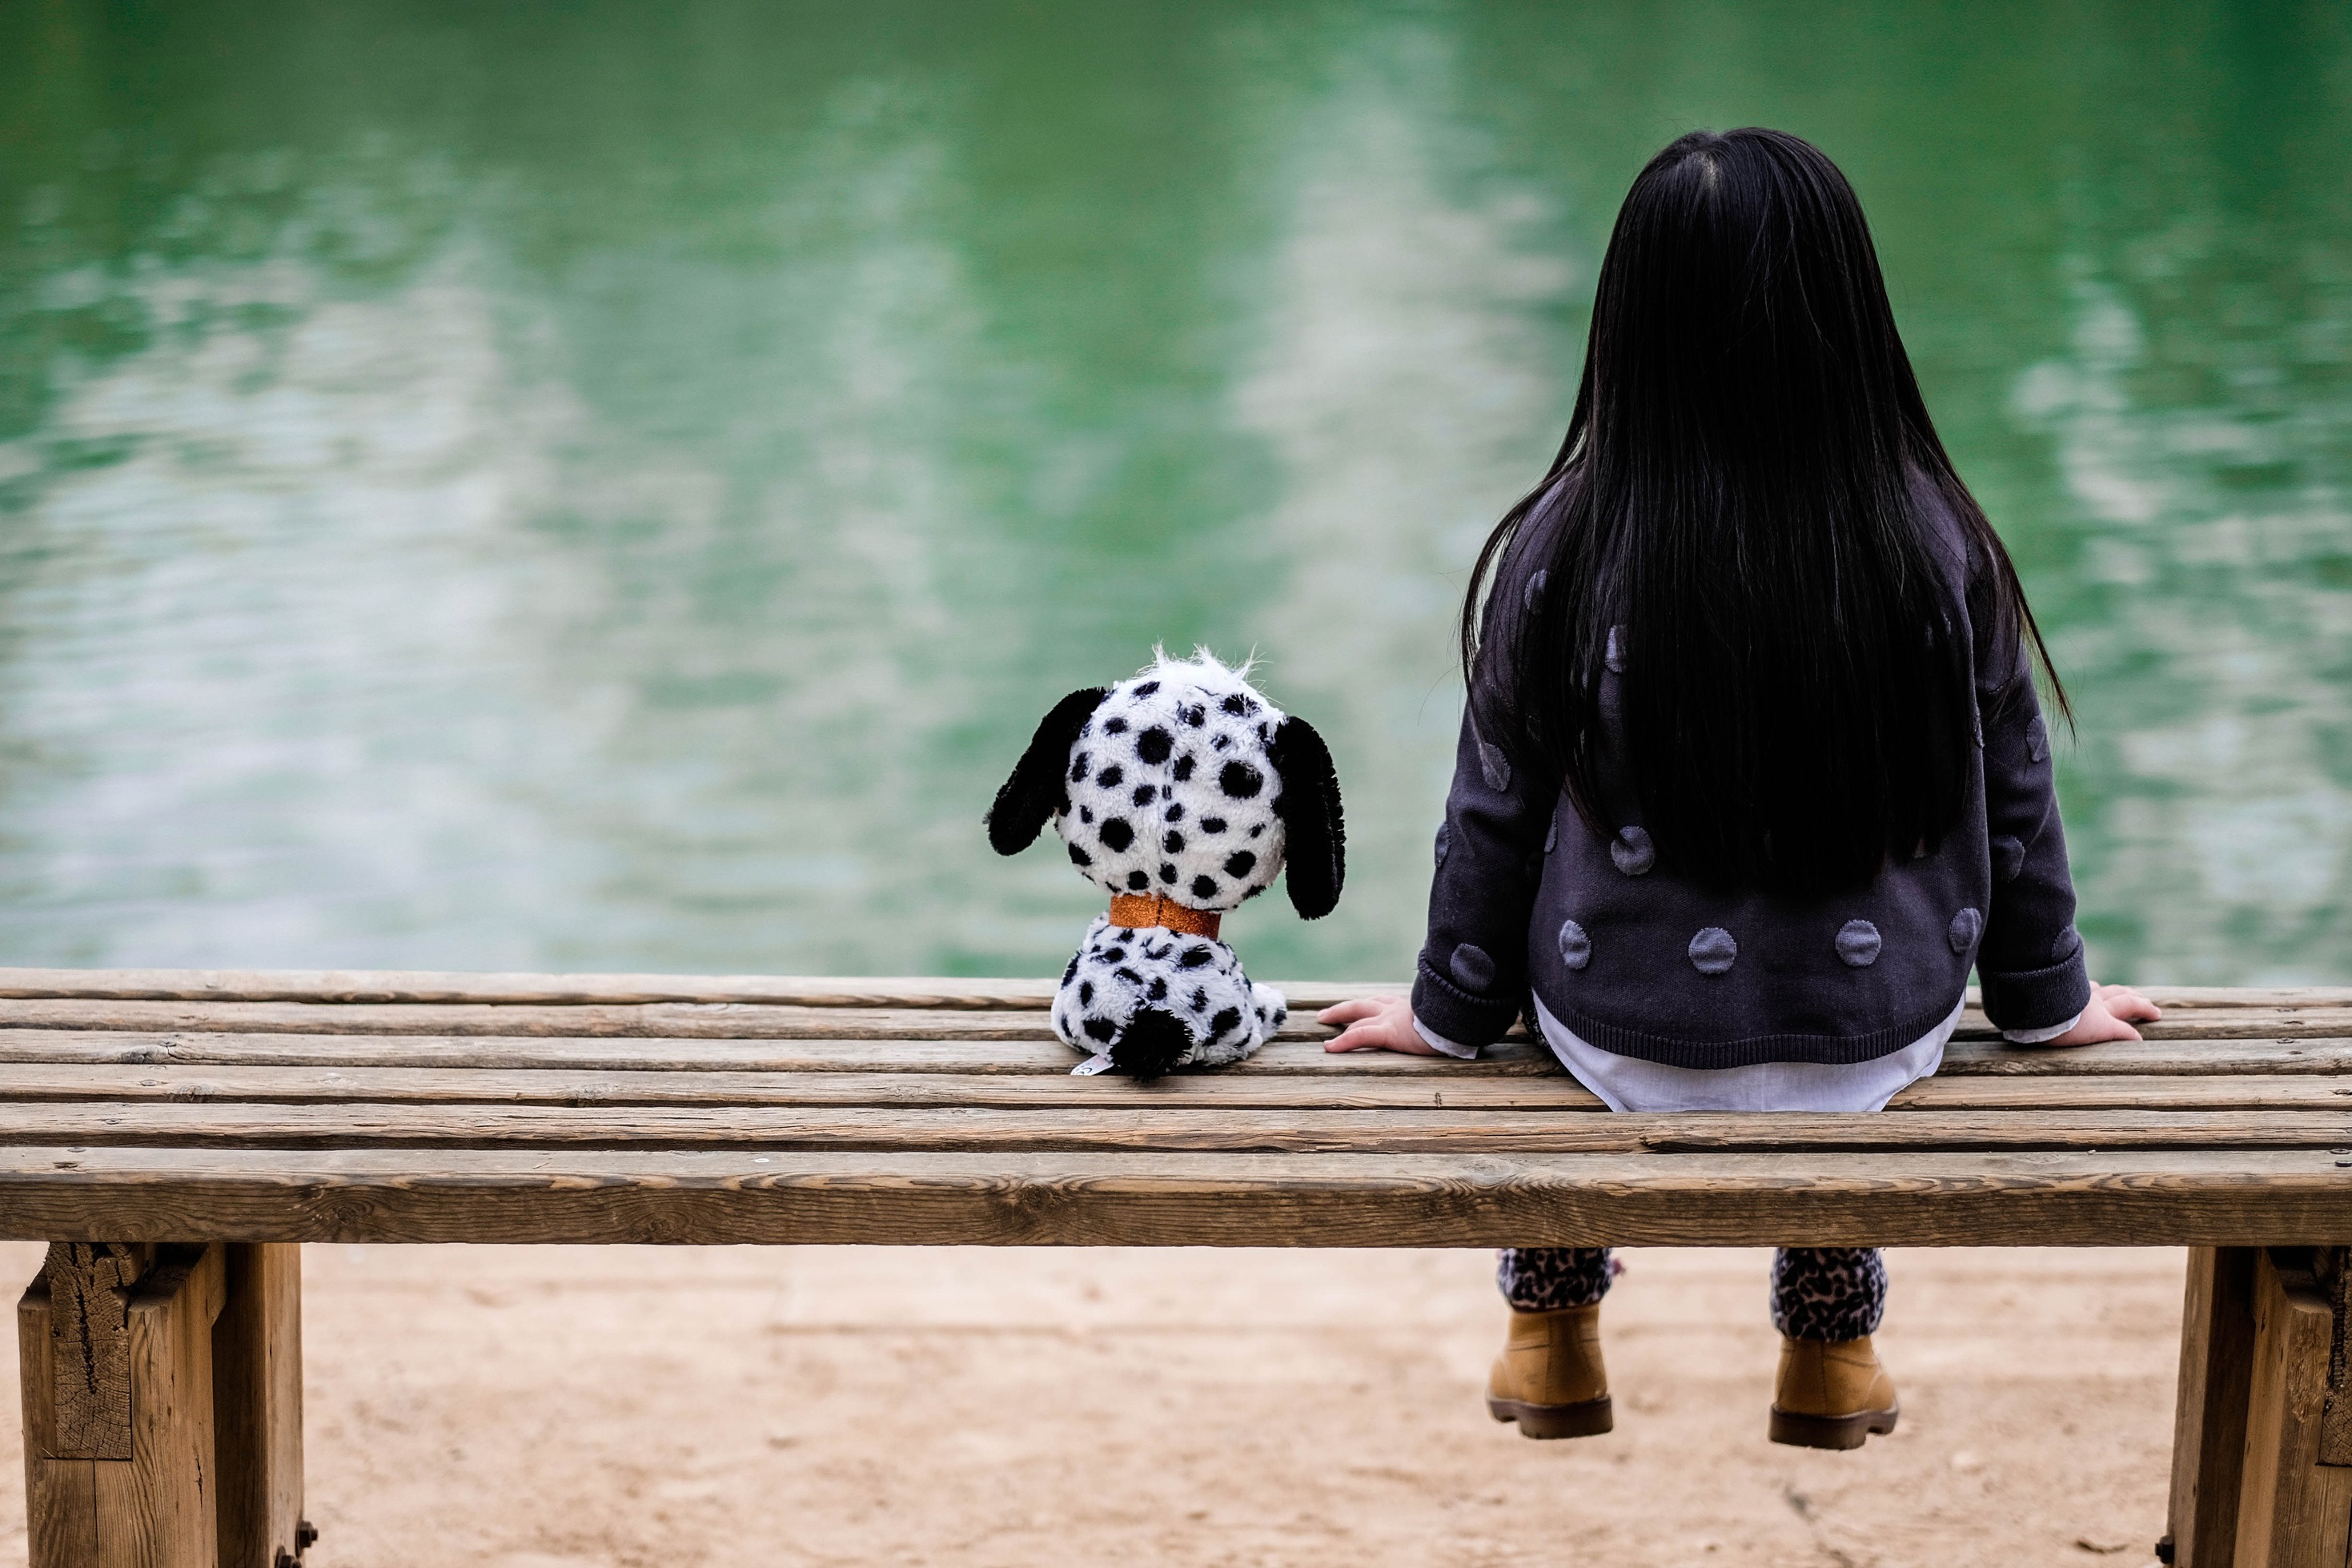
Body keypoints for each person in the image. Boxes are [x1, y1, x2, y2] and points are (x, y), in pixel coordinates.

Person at [1314, 127, 2158, 1451]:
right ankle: (1829, 1348)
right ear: (1849, 314)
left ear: (1628, 327)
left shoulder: (1562, 541)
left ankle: (1550, 1332)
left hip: (1618, 1040)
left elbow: (1492, 814)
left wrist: (1447, 1013)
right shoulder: (1931, 536)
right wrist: (2048, 1001)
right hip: (1876, 1036)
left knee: (1552, 1024)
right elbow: (2015, 794)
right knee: (1835, 1037)